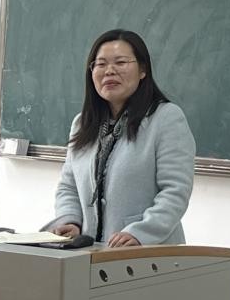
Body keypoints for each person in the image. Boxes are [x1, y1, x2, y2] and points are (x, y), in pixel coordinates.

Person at [42, 29, 196, 247]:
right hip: (91, 252)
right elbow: (69, 186)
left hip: (148, 252)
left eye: (121, 62)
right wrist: (70, 220)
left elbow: (175, 191)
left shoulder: (166, 118)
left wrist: (140, 233)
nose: (109, 71)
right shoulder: (82, 123)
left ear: (142, 70)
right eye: (101, 64)